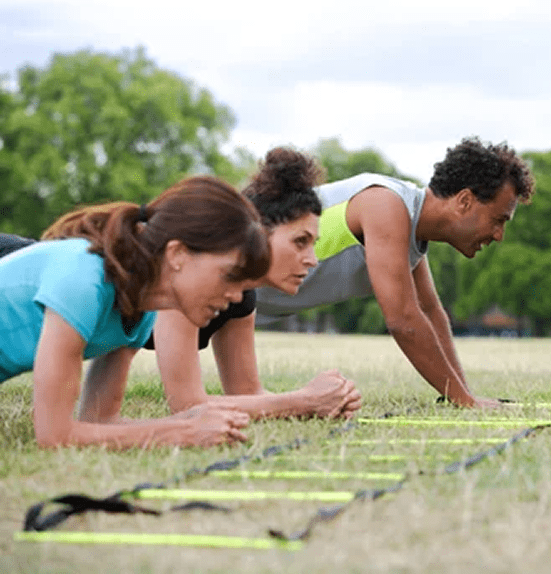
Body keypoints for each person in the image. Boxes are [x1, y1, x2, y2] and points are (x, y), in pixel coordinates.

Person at [255, 137, 535, 407]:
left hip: (239, 309)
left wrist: (460, 395)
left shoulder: (411, 230)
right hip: (219, 287)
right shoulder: (385, 203)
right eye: (498, 220)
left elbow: (429, 311)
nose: (499, 235)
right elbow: (403, 318)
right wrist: (466, 401)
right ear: (464, 201)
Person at [0, 176, 271, 449]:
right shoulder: (83, 282)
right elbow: (54, 436)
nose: (237, 296)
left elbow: (100, 420)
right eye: (229, 276)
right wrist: (183, 432)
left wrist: (189, 421)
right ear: (177, 254)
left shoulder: (142, 310)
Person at [150, 148, 362, 419]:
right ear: (259, 232)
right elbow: (187, 406)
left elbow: (246, 393)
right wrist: (305, 402)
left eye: (313, 245)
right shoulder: (193, 270)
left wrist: (324, 401)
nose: (312, 260)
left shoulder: (242, 295)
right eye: (300, 242)